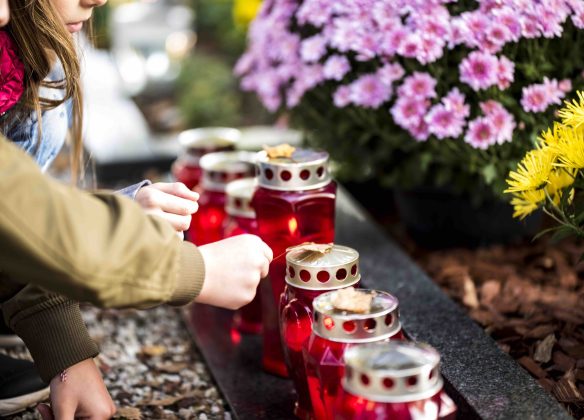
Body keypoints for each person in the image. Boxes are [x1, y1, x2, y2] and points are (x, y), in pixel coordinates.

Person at [0, 0, 273, 418]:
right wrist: (191, 270)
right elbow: (16, 214)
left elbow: (19, 219)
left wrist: (66, 352)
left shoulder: (22, 58)